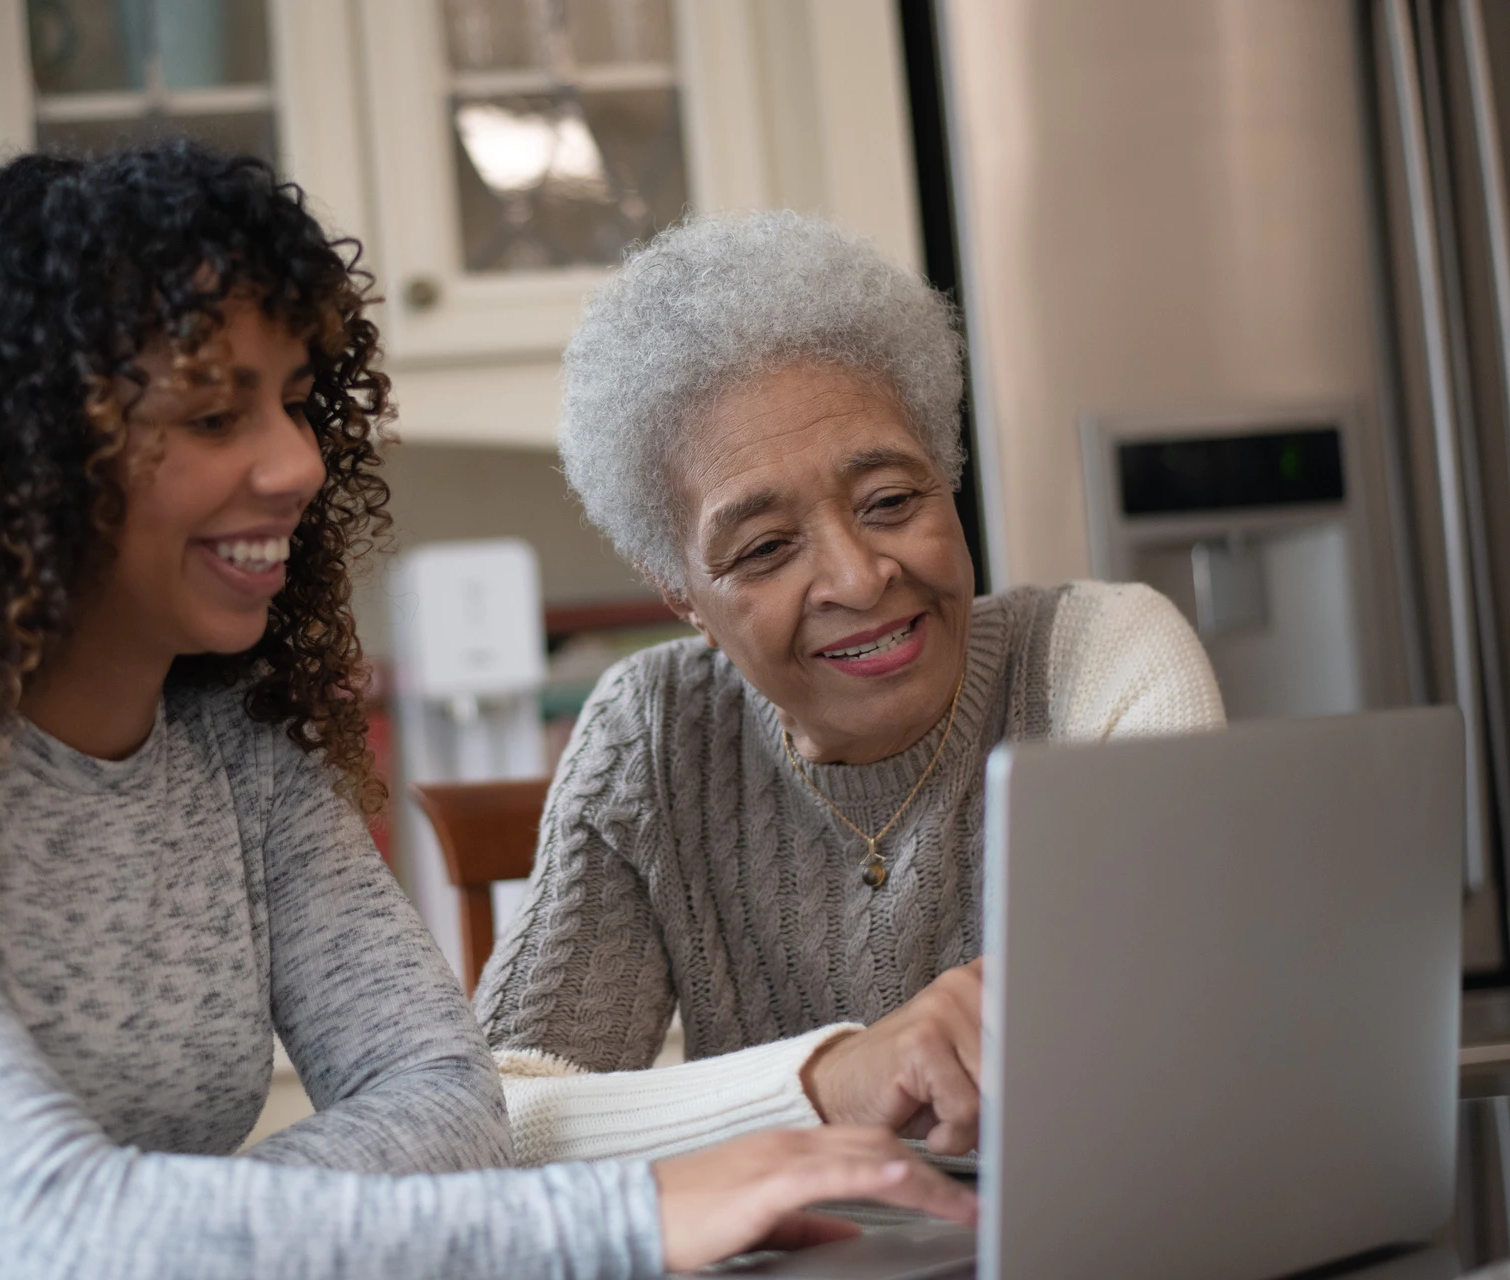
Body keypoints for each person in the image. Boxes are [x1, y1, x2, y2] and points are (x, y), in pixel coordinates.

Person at [0, 150, 974, 1280]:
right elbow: (28, 1229)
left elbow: (447, 1104)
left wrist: (172, 1233)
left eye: (301, 401)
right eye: (213, 412)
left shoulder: (235, 749)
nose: (300, 460)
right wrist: (626, 1222)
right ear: (16, 449)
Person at [478, 210, 1227, 1166]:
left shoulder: (1104, 657)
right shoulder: (653, 739)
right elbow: (492, 1119)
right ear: (685, 600)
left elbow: (1182, 1044)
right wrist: (826, 1084)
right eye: (764, 549)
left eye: (891, 501)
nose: (860, 576)